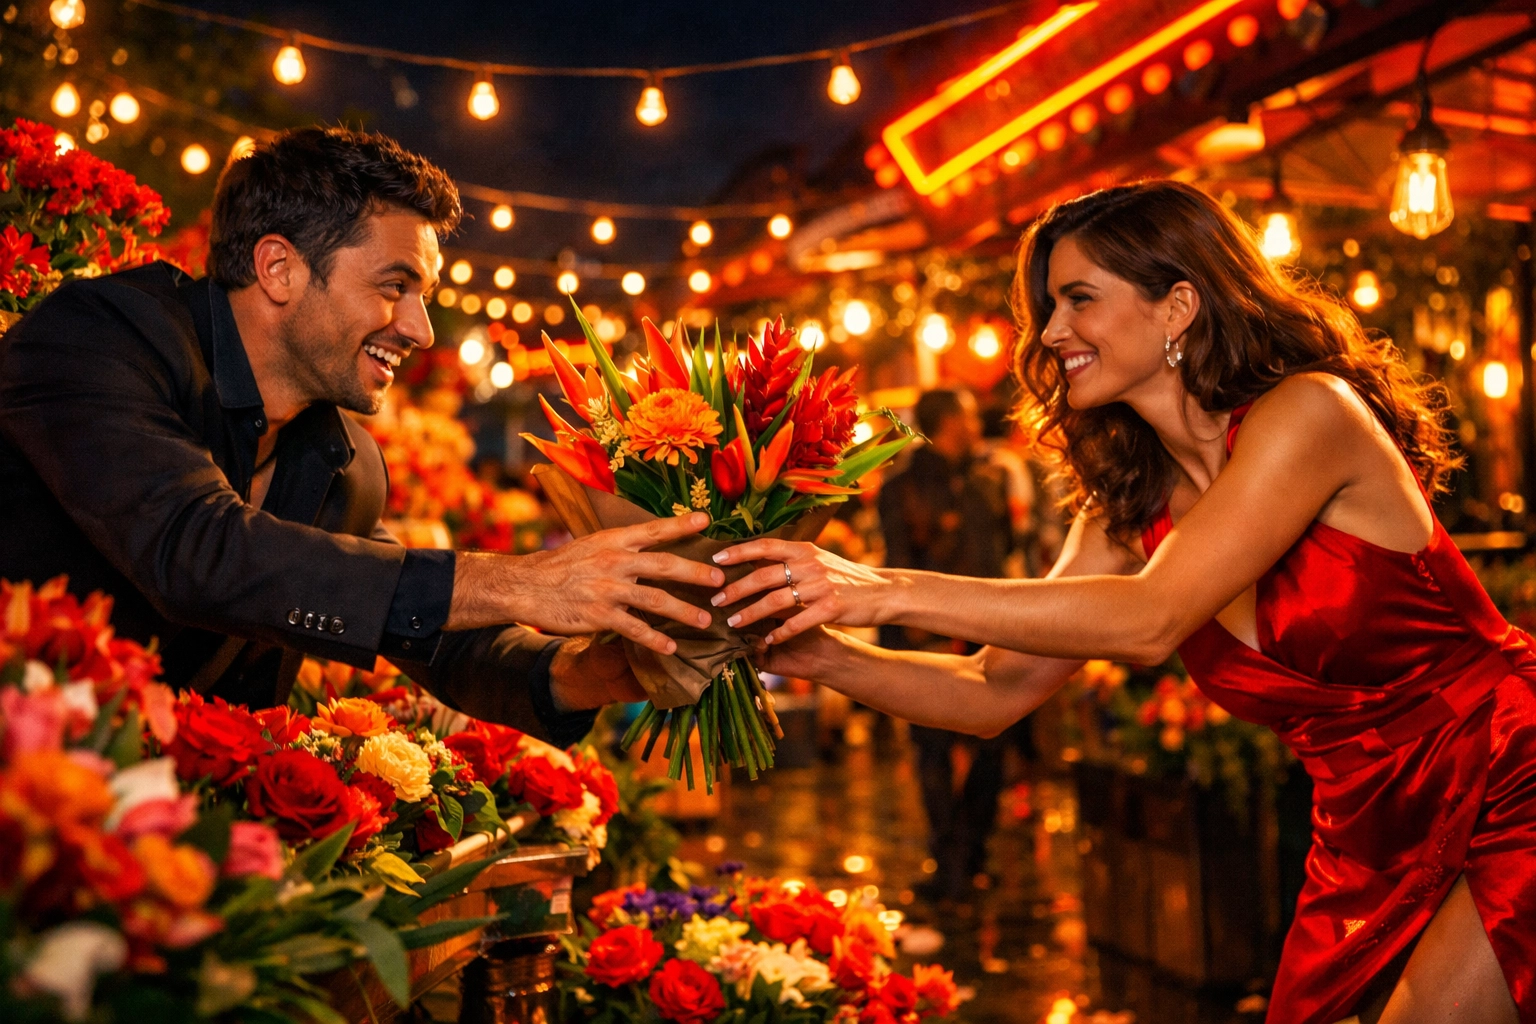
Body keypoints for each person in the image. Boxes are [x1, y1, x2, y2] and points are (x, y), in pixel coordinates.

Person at [711, 181, 1533, 1024]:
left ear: (1178, 305)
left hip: (1509, 770)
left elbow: (1151, 619)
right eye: (1048, 307)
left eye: (1078, 299)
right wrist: (816, 652)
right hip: (1362, 829)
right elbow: (993, 692)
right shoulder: (1127, 512)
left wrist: (881, 587)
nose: (1050, 332)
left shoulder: (1307, 412)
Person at [0, 126, 724, 748]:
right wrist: (523, 580)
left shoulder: (345, 460)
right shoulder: (100, 335)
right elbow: (197, 549)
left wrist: (581, 675)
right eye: (393, 285)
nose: (421, 329)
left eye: (423, 297)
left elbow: (418, 627)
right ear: (279, 268)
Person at [878, 388, 1014, 902]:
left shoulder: (983, 482)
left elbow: (994, 561)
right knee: (940, 750)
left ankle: (966, 854)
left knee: (978, 749)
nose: (979, 425)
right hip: (931, 640)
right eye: (969, 416)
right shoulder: (905, 488)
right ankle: (954, 858)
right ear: (950, 422)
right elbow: (902, 566)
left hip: (977, 637)